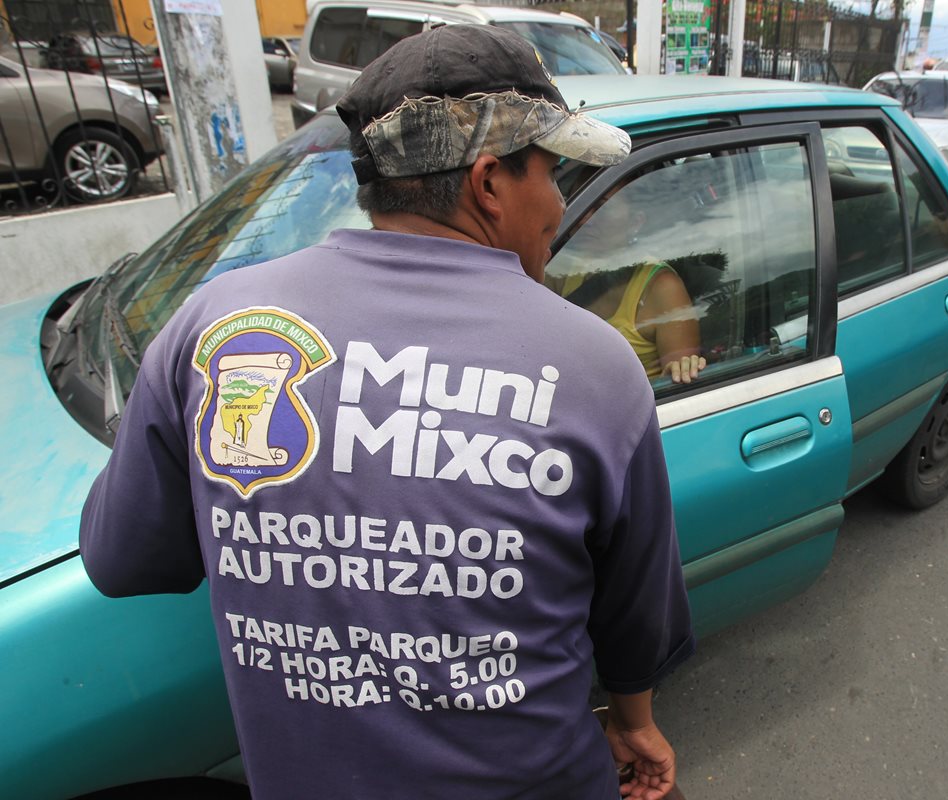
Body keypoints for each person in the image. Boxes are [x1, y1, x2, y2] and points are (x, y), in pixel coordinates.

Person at [78, 24, 694, 800]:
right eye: (553, 172)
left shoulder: (213, 324)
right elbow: (635, 624)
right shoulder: (595, 367)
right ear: (491, 181)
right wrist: (634, 722)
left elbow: (121, 558)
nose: (560, 202)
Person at [548, 183, 706, 384]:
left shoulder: (662, 288)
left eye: (602, 208)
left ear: (636, 222)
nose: (585, 219)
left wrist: (680, 368)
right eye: (582, 203)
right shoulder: (561, 269)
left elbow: (680, 384)